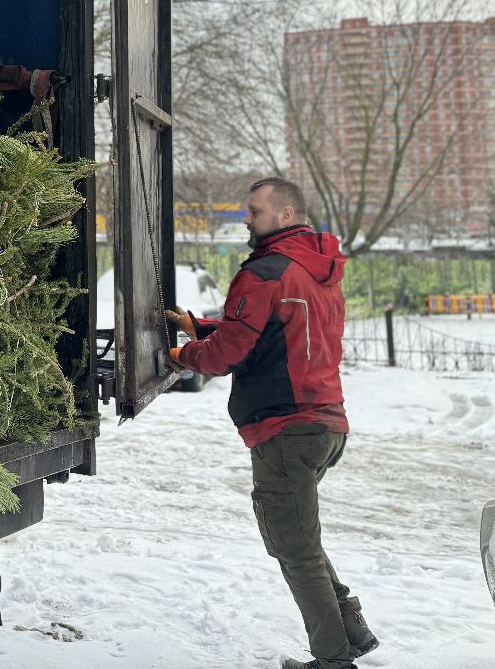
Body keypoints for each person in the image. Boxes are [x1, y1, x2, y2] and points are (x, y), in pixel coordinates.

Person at [166, 177, 376, 669]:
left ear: (284, 215)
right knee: (297, 537)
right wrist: (199, 327)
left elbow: (226, 355)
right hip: (325, 425)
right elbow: (267, 331)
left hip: (286, 429)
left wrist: (183, 355)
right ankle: (350, 627)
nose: (246, 218)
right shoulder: (316, 271)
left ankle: (334, 660)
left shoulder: (264, 272)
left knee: (295, 550)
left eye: (254, 211)